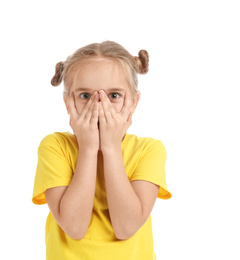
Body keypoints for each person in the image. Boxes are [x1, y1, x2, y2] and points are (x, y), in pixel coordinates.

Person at [32, 40, 172, 260]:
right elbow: (74, 227)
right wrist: (88, 148)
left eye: (114, 96)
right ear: (68, 103)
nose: (98, 106)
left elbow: (126, 227)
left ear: (133, 103)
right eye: (85, 96)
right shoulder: (55, 146)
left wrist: (110, 147)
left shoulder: (149, 150)